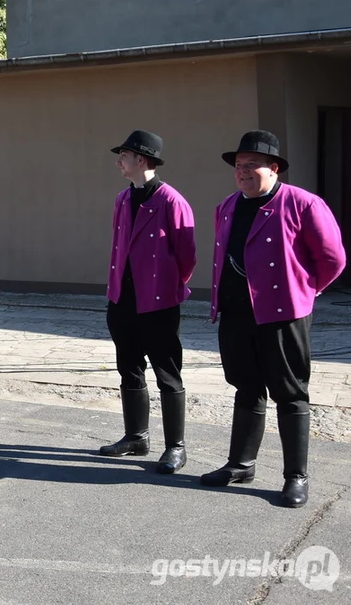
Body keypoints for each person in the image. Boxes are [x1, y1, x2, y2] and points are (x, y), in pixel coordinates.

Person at [201, 130, 345, 508]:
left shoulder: (303, 204)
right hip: (236, 311)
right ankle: (241, 464)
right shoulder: (228, 206)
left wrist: (303, 291)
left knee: (290, 393)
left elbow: (333, 259)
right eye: (238, 166)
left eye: (251, 165)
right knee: (246, 386)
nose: (242, 172)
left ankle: (296, 476)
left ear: (274, 167)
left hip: (283, 314)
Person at [100, 131, 196, 474]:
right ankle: (135, 437)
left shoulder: (171, 201)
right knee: (129, 368)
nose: (118, 161)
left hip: (158, 302)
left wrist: (165, 286)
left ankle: (175, 447)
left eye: (123, 155)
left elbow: (187, 257)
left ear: (141, 159)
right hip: (122, 300)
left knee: (167, 373)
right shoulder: (122, 199)